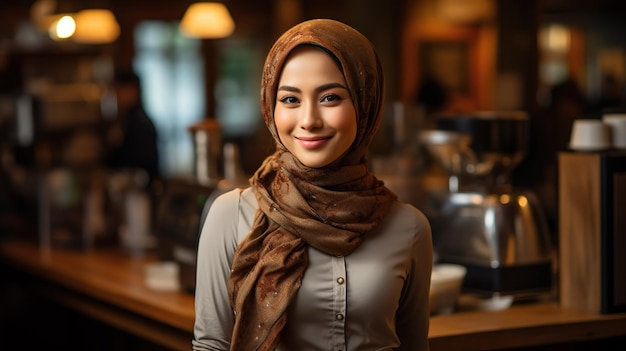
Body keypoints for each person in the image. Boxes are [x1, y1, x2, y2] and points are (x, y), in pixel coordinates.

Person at [192, 19, 433, 351]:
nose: (308, 120)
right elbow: (211, 345)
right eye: (290, 100)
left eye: (331, 97)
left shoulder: (409, 227)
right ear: (269, 106)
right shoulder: (230, 215)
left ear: (366, 104)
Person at [104, 70, 160, 187]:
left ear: (134, 91)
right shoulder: (121, 121)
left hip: (140, 192)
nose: (118, 96)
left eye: (121, 90)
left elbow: (144, 167)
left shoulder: (141, 124)